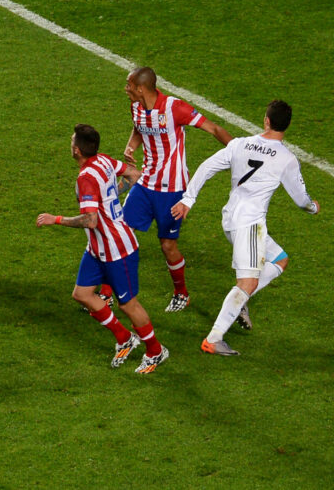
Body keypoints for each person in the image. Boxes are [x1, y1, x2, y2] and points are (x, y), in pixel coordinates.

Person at [171, 100, 320, 356]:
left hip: (231, 219)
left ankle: (241, 301)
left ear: (266, 120)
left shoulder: (239, 144)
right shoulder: (286, 159)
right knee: (247, 282)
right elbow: (301, 200)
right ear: (287, 126)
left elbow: (207, 167)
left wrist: (188, 199)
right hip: (249, 225)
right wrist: (313, 208)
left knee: (279, 259)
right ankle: (214, 338)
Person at [37, 124, 169, 374]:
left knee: (128, 305)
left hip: (118, 249)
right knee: (82, 294)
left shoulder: (86, 177)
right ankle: (125, 338)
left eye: (71, 140)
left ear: (76, 150)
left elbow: (90, 220)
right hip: (97, 248)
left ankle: (155, 350)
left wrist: (56, 219)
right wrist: (112, 195)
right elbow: (134, 175)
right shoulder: (104, 161)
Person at [122, 66, 232, 312]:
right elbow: (140, 126)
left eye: (129, 85)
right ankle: (108, 292)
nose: (126, 89)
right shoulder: (136, 106)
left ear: (140, 88)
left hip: (173, 190)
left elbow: (213, 128)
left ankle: (181, 293)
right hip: (145, 183)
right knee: (118, 231)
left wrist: (238, 151)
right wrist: (131, 146)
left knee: (167, 245)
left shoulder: (175, 108)